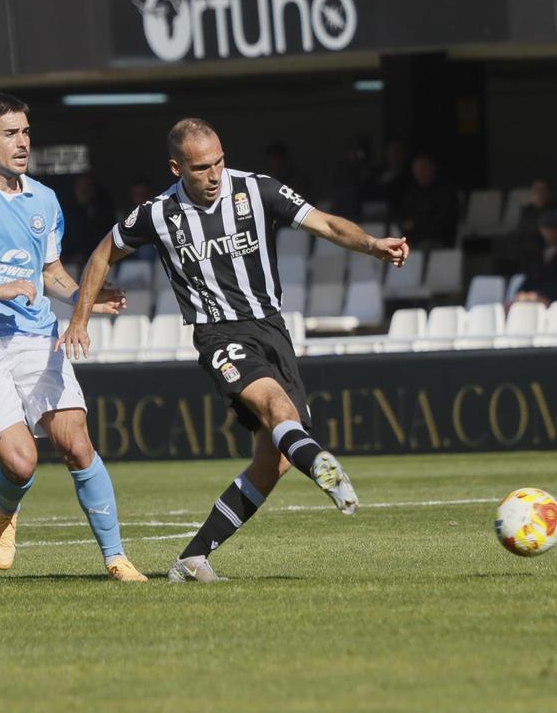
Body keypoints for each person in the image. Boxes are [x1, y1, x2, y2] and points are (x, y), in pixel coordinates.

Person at [59, 117, 410, 583]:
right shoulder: (157, 213)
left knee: (274, 460)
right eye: (202, 167)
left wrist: (372, 245)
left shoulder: (257, 190)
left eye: (219, 161)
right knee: (276, 407)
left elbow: (323, 223)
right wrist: (80, 317)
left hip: (271, 328)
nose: (214, 174)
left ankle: (192, 558)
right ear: (176, 168)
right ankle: (321, 465)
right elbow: (104, 251)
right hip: (218, 335)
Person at [0, 91, 145, 582]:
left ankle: (116, 558)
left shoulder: (44, 199)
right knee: (22, 463)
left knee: (78, 445)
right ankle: (5, 507)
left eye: (26, 132)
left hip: (35, 333)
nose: (23, 142)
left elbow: (50, 273)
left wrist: (84, 297)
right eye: (10, 133)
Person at [514, 211, 557, 305]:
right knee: (512, 305)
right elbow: (530, 277)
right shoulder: (537, 250)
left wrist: (538, 294)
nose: (548, 232)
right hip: (535, 295)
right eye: (545, 229)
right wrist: (522, 292)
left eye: (552, 229)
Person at [395, 154, 460, 248]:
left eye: (424, 168)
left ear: (433, 168)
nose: (420, 172)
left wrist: (416, 225)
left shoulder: (445, 192)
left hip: (437, 241)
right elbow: (402, 218)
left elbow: (442, 223)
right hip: (411, 240)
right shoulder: (413, 194)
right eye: (416, 169)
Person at [60, 174, 116, 267]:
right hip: (70, 263)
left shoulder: (103, 212)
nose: (84, 190)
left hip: (99, 260)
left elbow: (108, 238)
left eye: (87, 187)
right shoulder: (67, 212)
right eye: (80, 187)